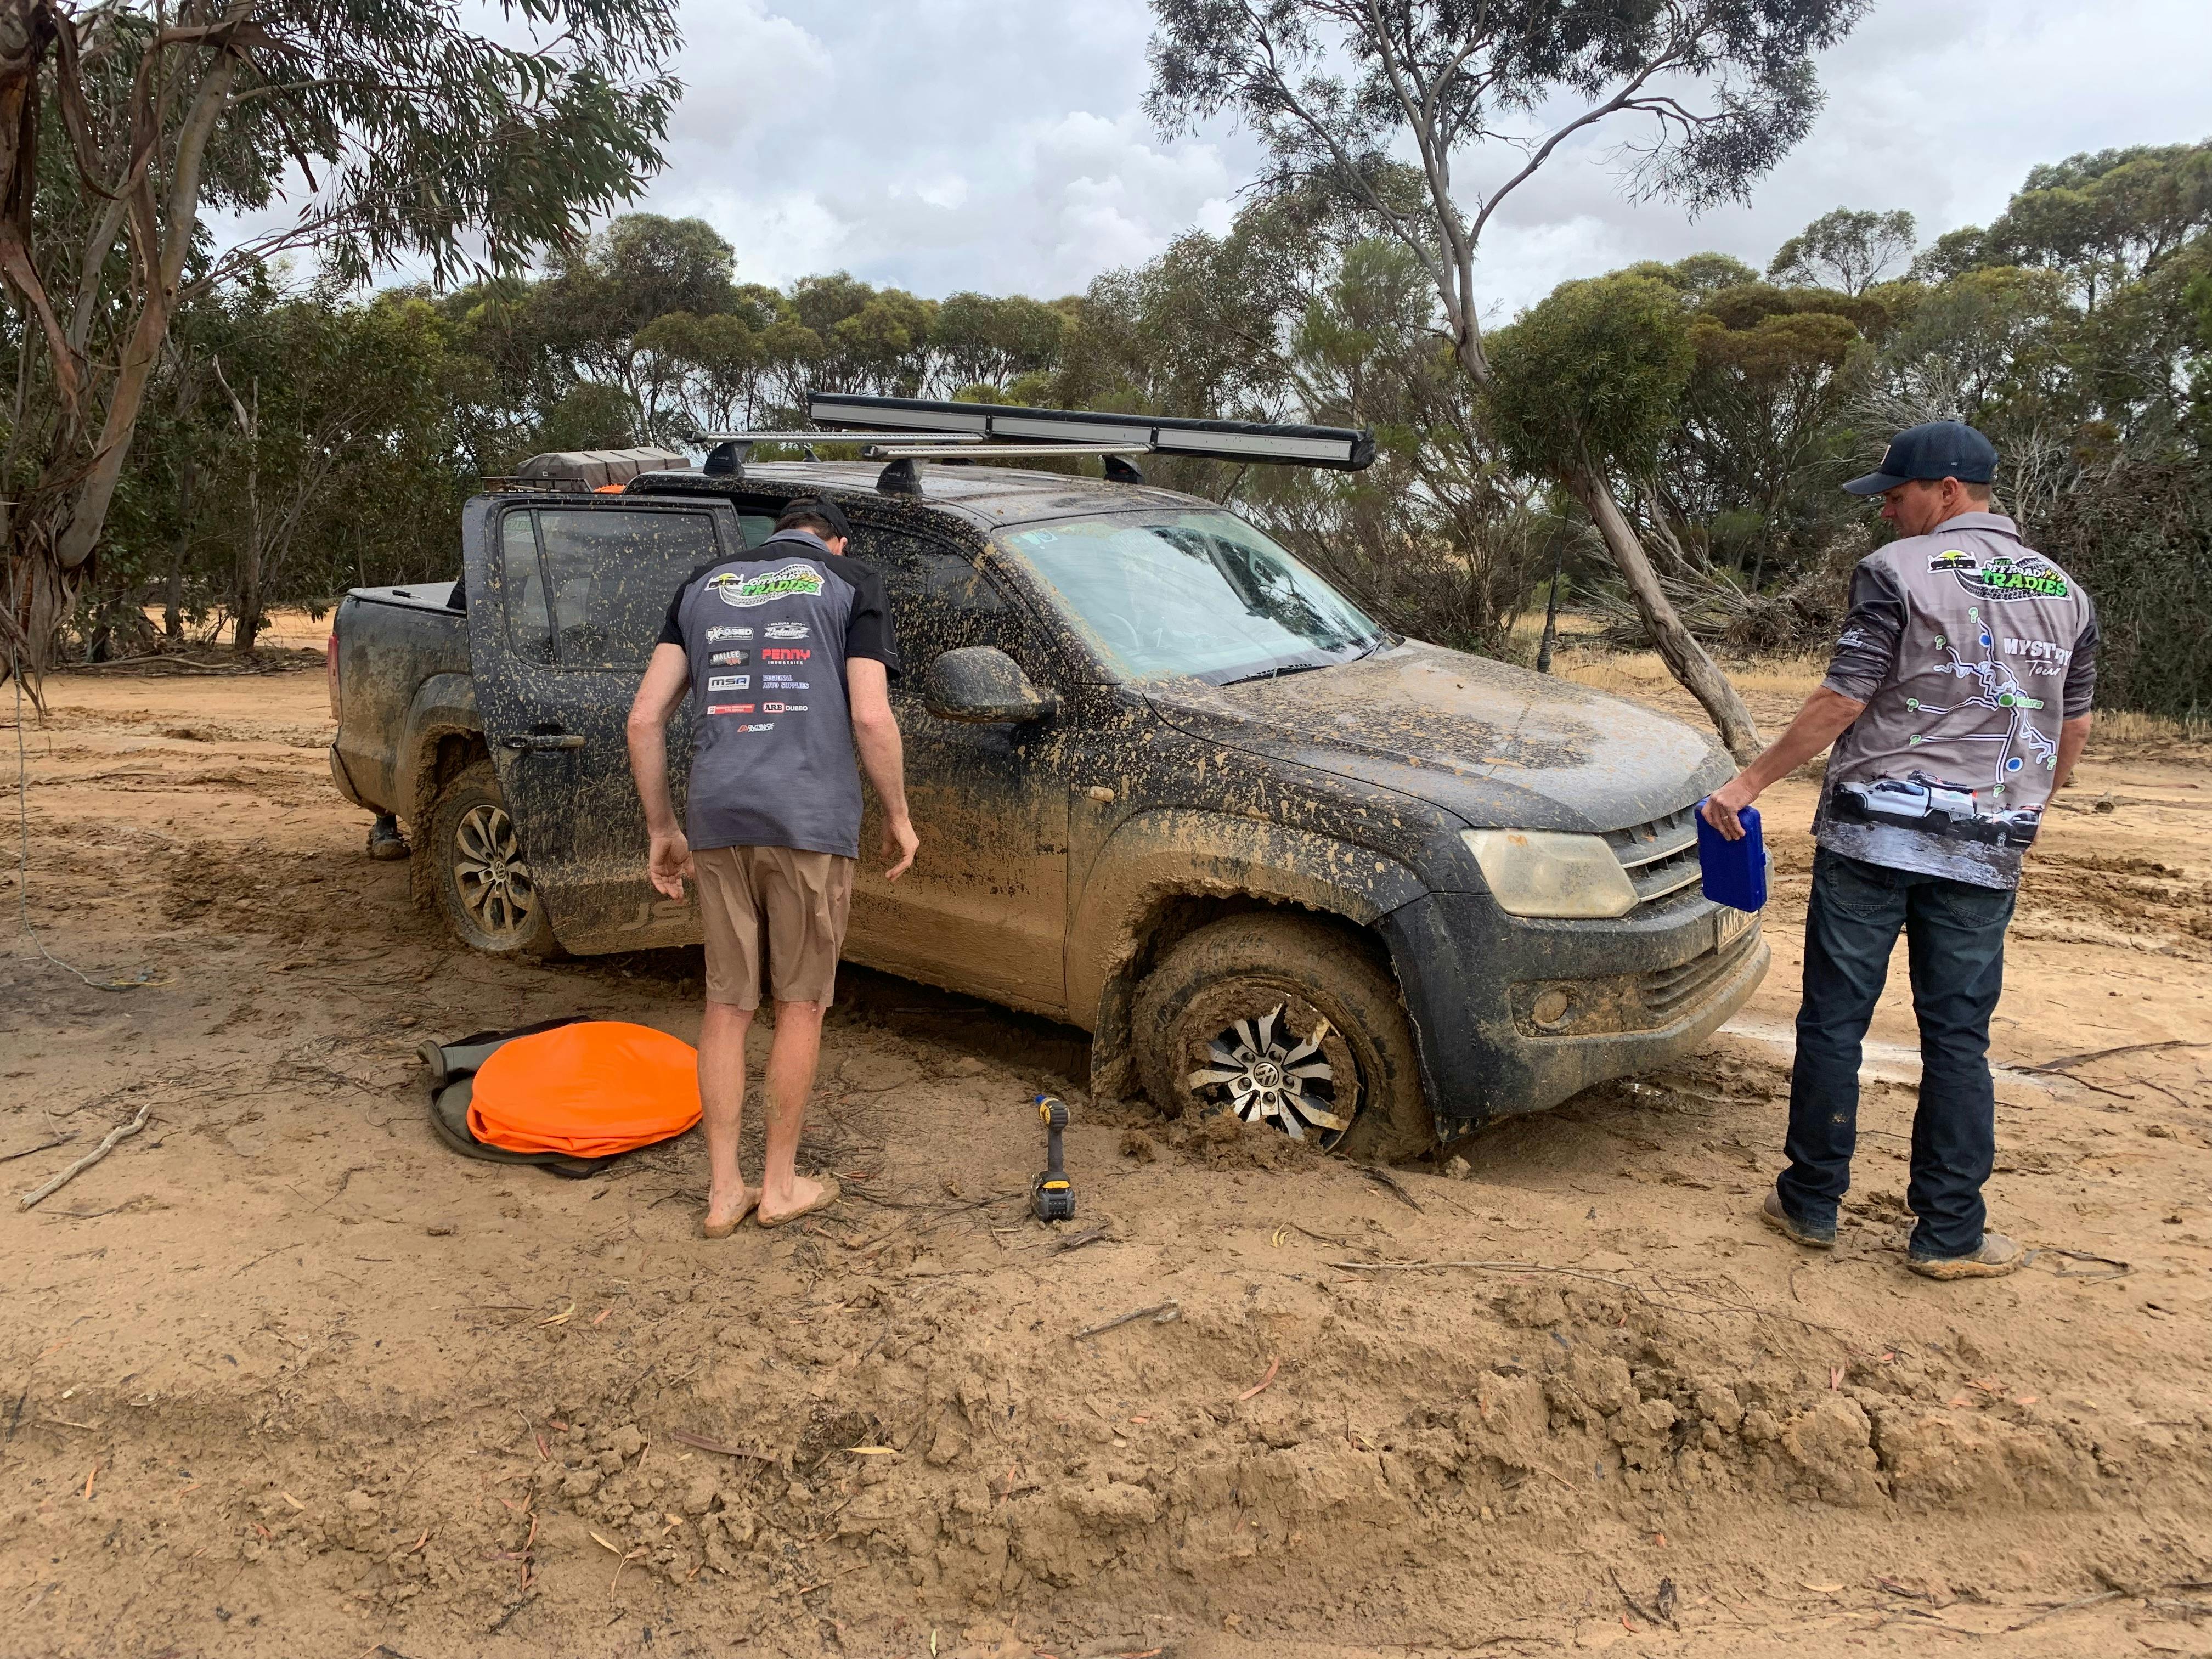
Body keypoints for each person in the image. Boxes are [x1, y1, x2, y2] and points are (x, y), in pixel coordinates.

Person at [1700, 421, 2096, 1280]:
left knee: (1835, 1020)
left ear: (1948, 490)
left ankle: (1810, 1204)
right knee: (1959, 1037)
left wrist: (1747, 785)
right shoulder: (2068, 595)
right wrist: (2027, 799)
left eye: (1896, 492)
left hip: (1873, 835)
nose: (1886, 507)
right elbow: (2076, 725)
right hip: (1984, 848)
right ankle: (1950, 1235)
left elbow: (1846, 697)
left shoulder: (1894, 575)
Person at [627, 496, 919, 1237]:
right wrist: (898, 815)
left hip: (718, 818)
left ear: (778, 535)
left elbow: (643, 718)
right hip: (810, 819)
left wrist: (663, 827)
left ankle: (724, 1192)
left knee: (728, 1006)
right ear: (836, 540)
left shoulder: (701, 585)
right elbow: (870, 715)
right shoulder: (852, 582)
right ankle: (780, 1185)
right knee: (801, 1003)